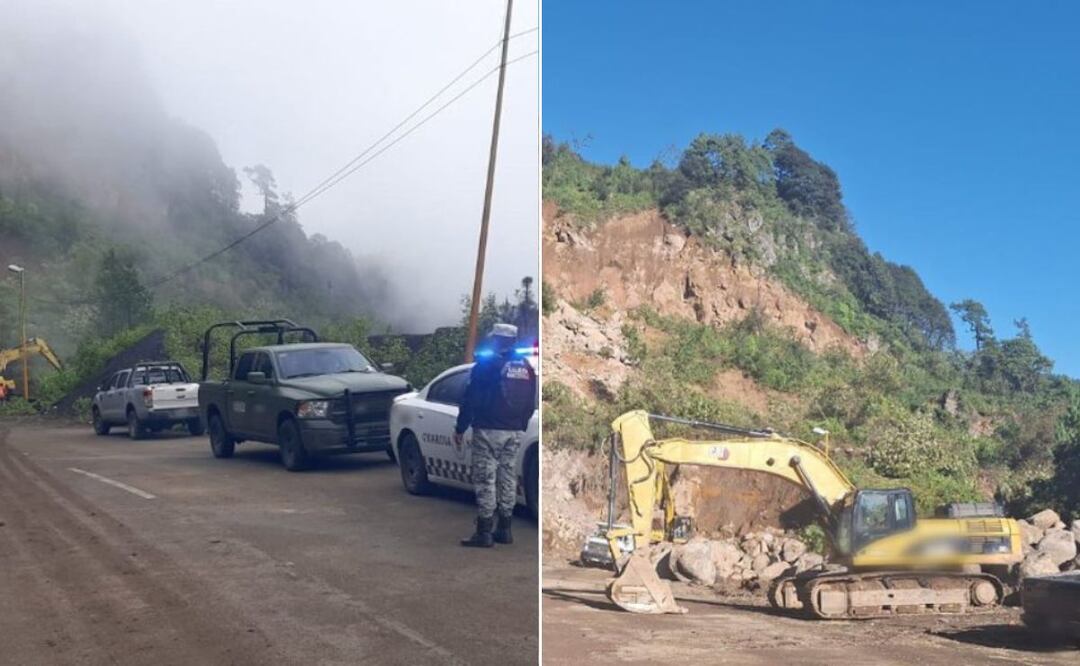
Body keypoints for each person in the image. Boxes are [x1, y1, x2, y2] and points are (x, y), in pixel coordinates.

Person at [454, 323, 537, 547]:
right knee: (508, 477)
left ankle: (484, 532)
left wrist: (461, 427)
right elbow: (530, 402)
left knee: (485, 479)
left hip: (488, 429)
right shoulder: (526, 367)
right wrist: (520, 422)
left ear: (497, 339)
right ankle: (505, 529)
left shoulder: (487, 365)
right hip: (514, 432)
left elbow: (470, 398)